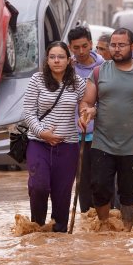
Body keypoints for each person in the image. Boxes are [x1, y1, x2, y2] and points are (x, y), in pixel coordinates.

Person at [79, 28, 133, 232]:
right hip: (102, 143)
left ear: (132, 47)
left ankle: (126, 233)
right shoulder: (99, 72)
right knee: (99, 188)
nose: (116, 49)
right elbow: (87, 101)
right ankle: (104, 226)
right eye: (113, 45)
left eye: (121, 45)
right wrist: (86, 113)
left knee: (129, 194)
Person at [24, 41, 86, 233]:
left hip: (68, 146)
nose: (56, 61)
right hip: (38, 143)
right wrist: (42, 133)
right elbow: (28, 112)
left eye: (61, 57)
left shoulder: (78, 83)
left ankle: (59, 235)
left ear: (69, 60)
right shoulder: (37, 80)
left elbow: (86, 105)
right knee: (39, 186)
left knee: (62, 194)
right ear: (47, 60)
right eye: (52, 57)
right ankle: (38, 228)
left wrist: (84, 116)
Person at [67, 26, 104, 213]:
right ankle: (87, 221)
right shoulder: (66, 69)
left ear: (91, 44)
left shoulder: (104, 67)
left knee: (101, 181)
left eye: (84, 46)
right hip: (75, 136)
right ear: (70, 47)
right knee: (82, 183)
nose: (81, 52)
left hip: (100, 135)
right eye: (76, 48)